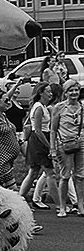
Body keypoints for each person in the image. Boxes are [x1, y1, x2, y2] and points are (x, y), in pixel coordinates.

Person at [50, 79, 84, 218]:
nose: (74, 93)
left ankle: (81, 205)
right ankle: (63, 207)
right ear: (66, 92)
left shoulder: (82, 107)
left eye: (76, 90)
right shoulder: (59, 107)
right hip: (64, 144)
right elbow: (53, 129)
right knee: (65, 175)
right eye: (71, 90)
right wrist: (52, 148)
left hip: (80, 143)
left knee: (81, 176)